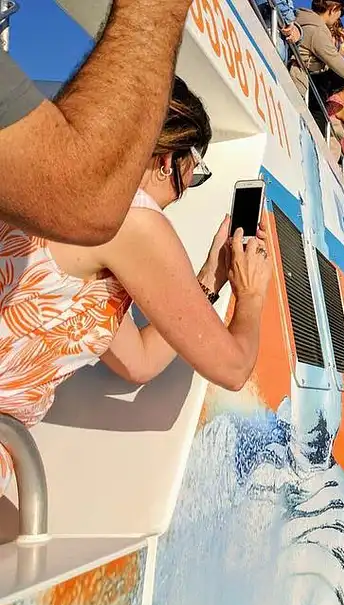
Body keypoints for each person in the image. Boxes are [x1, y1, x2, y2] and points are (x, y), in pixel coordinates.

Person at [0, 78, 272, 493]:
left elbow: (138, 361)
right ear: (167, 160)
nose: (185, 190)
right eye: (193, 170)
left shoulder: (55, 193)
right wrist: (250, 294)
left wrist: (209, 279)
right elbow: (233, 369)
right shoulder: (133, 219)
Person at [0, 0, 203, 245]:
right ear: (166, 162)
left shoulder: (22, 210)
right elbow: (77, 200)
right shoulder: (141, 221)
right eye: (197, 169)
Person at [289, 0, 344, 98]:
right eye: (342, 11)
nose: (340, 16)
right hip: (293, 87)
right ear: (333, 9)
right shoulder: (318, 32)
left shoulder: (300, 19)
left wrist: (339, 54)